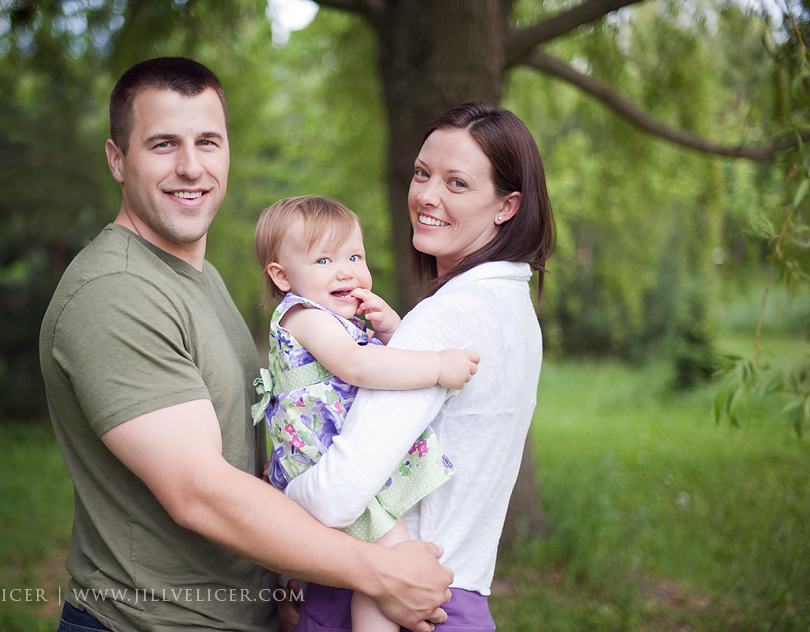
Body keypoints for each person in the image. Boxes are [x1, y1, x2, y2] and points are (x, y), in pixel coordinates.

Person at [39, 57, 453, 632]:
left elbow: (253, 449)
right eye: (163, 144)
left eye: (208, 142)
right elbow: (200, 491)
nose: (190, 166)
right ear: (117, 159)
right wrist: (378, 571)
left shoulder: (198, 279)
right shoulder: (115, 294)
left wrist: (281, 587)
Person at [284, 103, 556, 632]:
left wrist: (274, 499)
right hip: (462, 600)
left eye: (457, 183)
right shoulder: (516, 312)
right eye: (422, 173)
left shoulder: (446, 318)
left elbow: (341, 492)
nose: (427, 196)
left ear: (507, 206)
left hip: (392, 602)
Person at [251, 195, 479, 632]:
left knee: (386, 561)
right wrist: (436, 366)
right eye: (323, 259)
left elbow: (371, 360)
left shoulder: (335, 320)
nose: (346, 270)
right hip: (323, 460)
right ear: (282, 276)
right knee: (388, 563)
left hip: (333, 453)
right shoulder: (303, 316)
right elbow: (358, 367)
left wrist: (391, 330)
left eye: (355, 255)